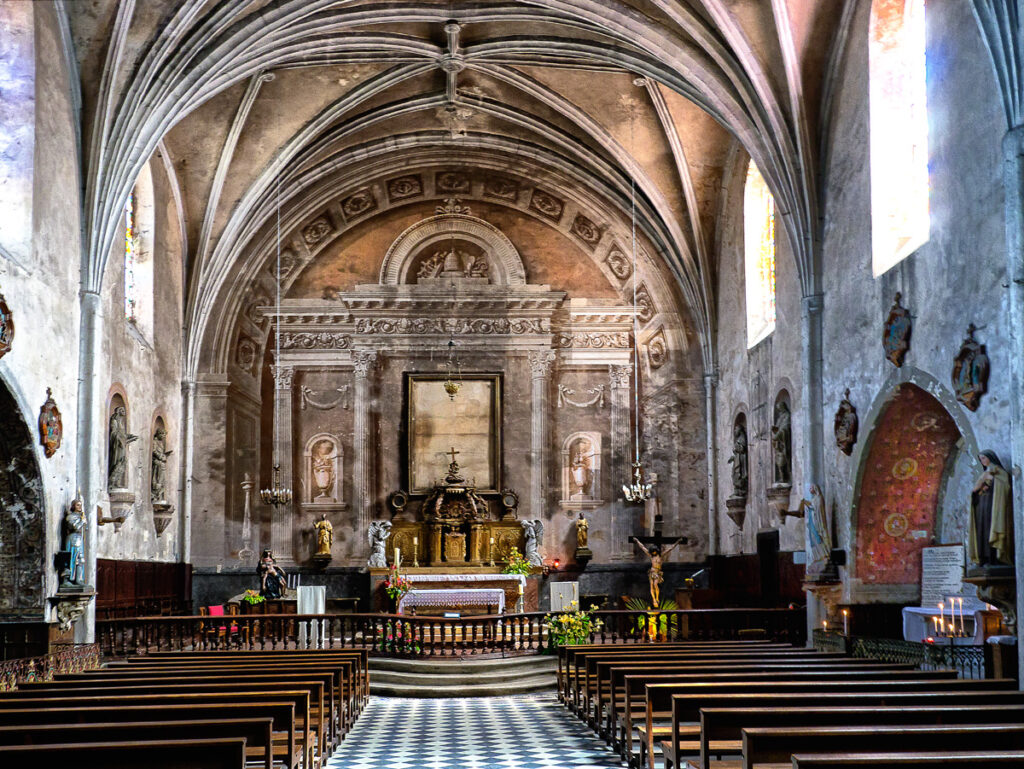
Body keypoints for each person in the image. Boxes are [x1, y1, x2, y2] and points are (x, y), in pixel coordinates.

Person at [968, 450, 1013, 567]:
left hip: (994, 508)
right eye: (980, 459)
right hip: (982, 508)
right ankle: (984, 558)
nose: (982, 461)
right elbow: (975, 491)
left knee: (991, 529)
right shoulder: (985, 473)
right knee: (982, 531)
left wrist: (993, 480)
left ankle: (995, 558)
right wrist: (979, 489)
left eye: (983, 458)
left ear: (990, 458)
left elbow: (1006, 487)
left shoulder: (999, 472)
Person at [632, 536, 683, 607]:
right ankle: (654, 599)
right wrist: (637, 541)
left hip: (657, 572)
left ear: (657, 551)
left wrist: (677, 542)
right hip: (652, 572)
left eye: (655, 551)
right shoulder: (651, 556)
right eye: (653, 552)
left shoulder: (660, 556)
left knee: (655, 585)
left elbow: (670, 548)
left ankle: (657, 598)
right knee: (651, 586)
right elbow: (643, 548)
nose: (654, 552)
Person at [63, 497, 86, 586]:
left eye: (80, 505)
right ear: (73, 506)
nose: (80, 507)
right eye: (77, 505)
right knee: (72, 558)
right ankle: (68, 579)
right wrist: (82, 521)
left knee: (81, 560)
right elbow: (75, 527)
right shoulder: (70, 517)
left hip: (79, 539)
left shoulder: (80, 516)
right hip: (73, 539)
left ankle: (78, 579)